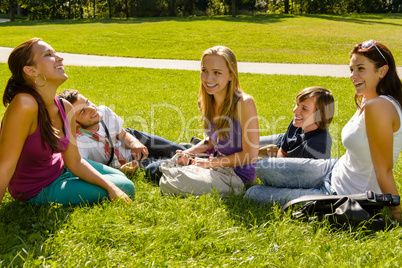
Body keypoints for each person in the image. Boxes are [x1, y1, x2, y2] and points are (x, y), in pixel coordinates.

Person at [245, 40, 402, 221]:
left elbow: (385, 169)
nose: (353, 75)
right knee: (263, 168)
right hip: (334, 168)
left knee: (254, 193)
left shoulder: (379, 107)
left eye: (361, 68)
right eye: (351, 69)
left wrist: (397, 215)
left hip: (339, 193)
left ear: (382, 71)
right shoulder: (370, 98)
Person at [0, 38, 134, 205]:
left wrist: (111, 188)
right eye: (48, 54)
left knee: (118, 179)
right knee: (126, 186)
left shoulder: (65, 107)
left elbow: (75, 161)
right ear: (31, 70)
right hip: (39, 188)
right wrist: (113, 188)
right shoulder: (24, 104)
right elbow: (4, 167)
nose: (59, 58)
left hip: (62, 169)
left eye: (55, 53)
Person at [158, 46, 259, 197]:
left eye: (217, 73)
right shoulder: (205, 101)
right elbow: (212, 141)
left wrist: (209, 164)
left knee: (171, 181)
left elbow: (249, 156)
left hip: (236, 176)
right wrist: (187, 153)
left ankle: (182, 172)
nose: (208, 78)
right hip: (215, 166)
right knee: (161, 167)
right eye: (204, 70)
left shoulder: (244, 103)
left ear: (231, 75)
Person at [57, 89, 186, 175]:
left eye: (87, 102)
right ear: (75, 123)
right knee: (170, 164)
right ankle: (197, 160)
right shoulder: (79, 142)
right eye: (83, 111)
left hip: (133, 138)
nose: (92, 108)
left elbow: (123, 135)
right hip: (129, 161)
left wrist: (134, 142)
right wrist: (119, 172)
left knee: (175, 149)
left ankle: (195, 149)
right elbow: (85, 171)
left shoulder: (104, 112)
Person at [259, 86, 334, 159]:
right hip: (283, 141)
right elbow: (282, 151)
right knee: (248, 143)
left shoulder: (317, 147)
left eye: (304, 108)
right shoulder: (298, 123)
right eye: (297, 105)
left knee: (254, 164)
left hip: (295, 163)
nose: (295, 111)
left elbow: (290, 170)